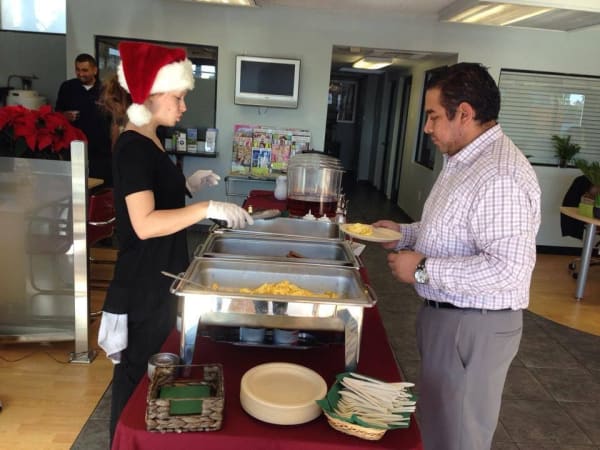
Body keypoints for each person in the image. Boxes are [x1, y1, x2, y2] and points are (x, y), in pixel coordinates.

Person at [373, 63, 541, 450]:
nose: (426, 128)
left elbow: (508, 270)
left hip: (473, 325)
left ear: (464, 113)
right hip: (451, 319)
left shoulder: (499, 174)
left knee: (459, 437)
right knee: (438, 427)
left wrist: (423, 270)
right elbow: (448, 229)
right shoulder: (464, 161)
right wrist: (402, 234)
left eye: (433, 116)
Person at [96, 41, 253, 443]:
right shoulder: (133, 146)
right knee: (137, 378)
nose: (184, 107)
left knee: (156, 372)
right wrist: (206, 208)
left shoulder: (150, 139)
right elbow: (144, 223)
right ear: (149, 94)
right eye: (178, 97)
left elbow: (152, 197)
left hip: (160, 275)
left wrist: (185, 185)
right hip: (143, 285)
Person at [55, 53, 114, 185]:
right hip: (75, 148)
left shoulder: (106, 89)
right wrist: (64, 115)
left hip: (101, 150)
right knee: (75, 186)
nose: (81, 74)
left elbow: (115, 118)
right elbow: (56, 114)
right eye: (78, 70)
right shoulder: (67, 87)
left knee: (101, 187)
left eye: (85, 70)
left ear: (95, 70)